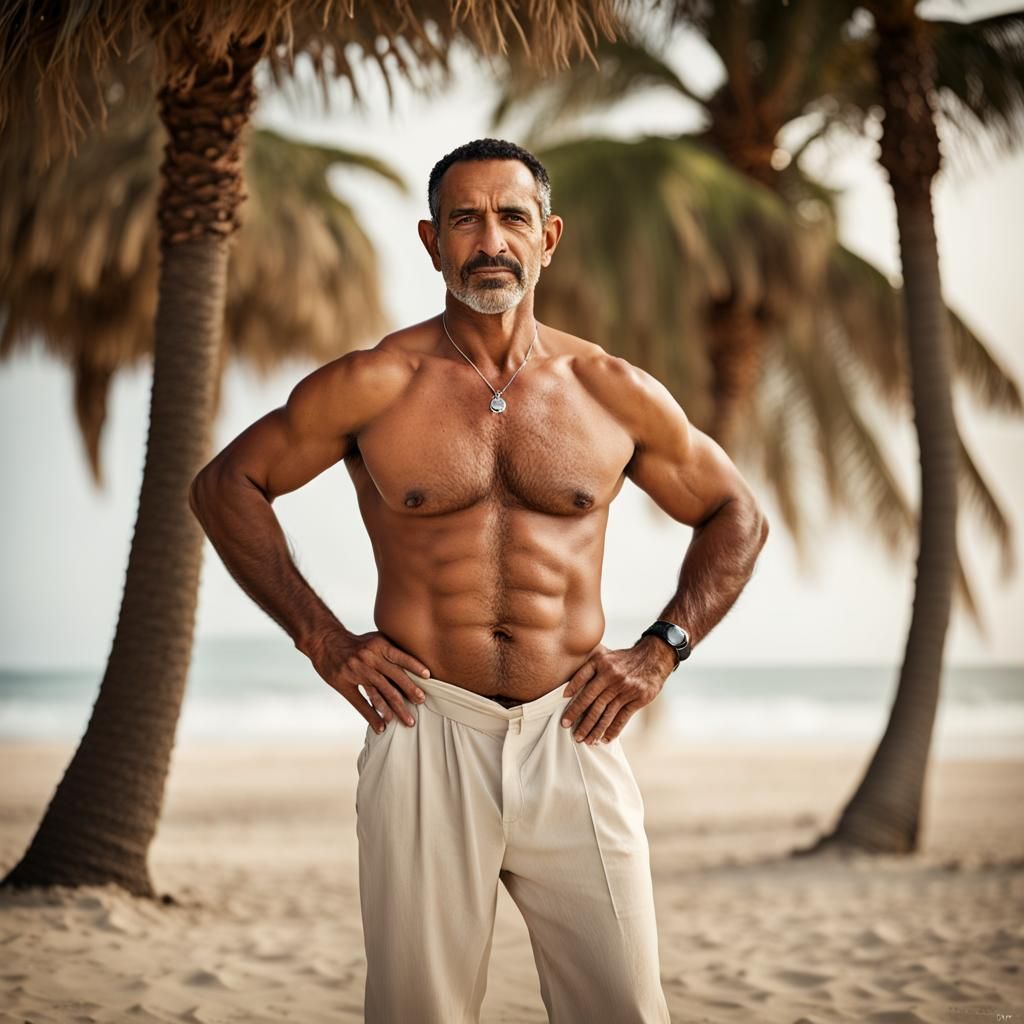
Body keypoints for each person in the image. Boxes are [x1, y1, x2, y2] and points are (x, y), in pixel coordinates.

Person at [189, 137, 769, 1024]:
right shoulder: (378, 384)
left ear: (548, 238)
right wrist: (322, 638)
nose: (490, 240)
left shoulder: (609, 390)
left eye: (511, 217)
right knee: (418, 1010)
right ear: (432, 242)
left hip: (574, 731)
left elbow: (737, 514)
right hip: (425, 727)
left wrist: (661, 651)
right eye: (465, 219)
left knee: (624, 1005)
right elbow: (225, 485)